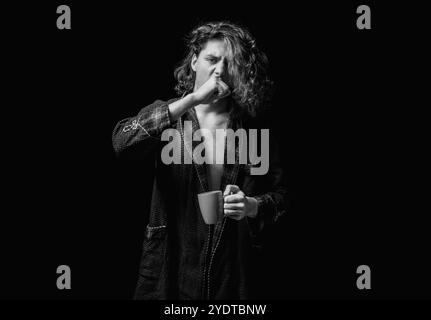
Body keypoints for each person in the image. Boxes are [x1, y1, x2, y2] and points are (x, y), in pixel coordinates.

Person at [112, 21, 287, 300]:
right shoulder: (169, 117)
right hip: (168, 272)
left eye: (231, 64)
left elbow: (282, 199)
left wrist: (252, 206)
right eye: (212, 59)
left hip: (233, 279)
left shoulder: (253, 130)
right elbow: (122, 141)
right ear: (194, 62)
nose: (220, 71)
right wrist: (191, 100)